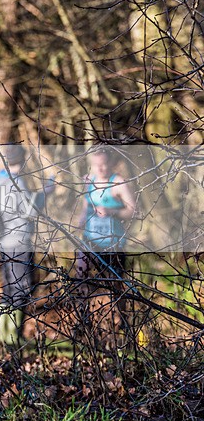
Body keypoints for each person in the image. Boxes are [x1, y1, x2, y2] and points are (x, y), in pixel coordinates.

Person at [0, 144, 54, 345]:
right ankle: (11, 335)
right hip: (19, 240)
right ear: (24, 160)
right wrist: (46, 192)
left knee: (10, 288)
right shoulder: (16, 182)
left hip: (5, 241)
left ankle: (2, 333)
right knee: (22, 288)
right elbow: (30, 211)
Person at [73, 146, 137, 344]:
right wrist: (79, 221)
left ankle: (125, 329)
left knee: (116, 288)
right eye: (97, 165)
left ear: (110, 163)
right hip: (90, 241)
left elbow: (134, 211)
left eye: (104, 165)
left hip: (113, 244)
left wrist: (112, 211)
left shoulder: (118, 182)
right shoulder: (89, 181)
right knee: (80, 276)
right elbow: (85, 207)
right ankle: (81, 323)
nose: (100, 169)